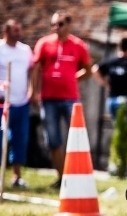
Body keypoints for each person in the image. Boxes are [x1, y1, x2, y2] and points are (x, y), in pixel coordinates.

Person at [31, 11, 92, 188]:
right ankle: (62, 179)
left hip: (71, 99)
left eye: (60, 24)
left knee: (77, 138)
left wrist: (73, 78)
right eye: (53, 24)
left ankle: (78, 178)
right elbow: (35, 69)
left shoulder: (79, 45)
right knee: (52, 139)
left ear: (68, 25)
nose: (55, 27)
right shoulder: (44, 43)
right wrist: (33, 91)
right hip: (48, 99)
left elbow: (88, 70)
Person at [0, 19, 34, 189]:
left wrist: (31, 91)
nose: (19, 33)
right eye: (15, 30)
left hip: (21, 103)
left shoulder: (25, 50)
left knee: (20, 140)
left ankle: (16, 176)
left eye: (20, 30)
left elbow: (33, 70)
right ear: (6, 31)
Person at [92, 36, 127, 127]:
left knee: (118, 128)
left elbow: (94, 69)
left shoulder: (110, 61)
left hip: (113, 100)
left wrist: (104, 83)